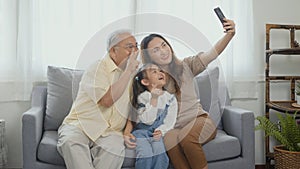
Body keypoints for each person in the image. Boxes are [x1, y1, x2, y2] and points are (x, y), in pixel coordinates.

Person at [124, 19, 235, 169]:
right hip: (173, 128)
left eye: (164, 45)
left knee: (187, 139)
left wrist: (230, 34)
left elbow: (211, 54)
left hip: (199, 120)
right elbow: (136, 107)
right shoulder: (152, 79)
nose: (163, 51)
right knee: (169, 140)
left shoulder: (186, 66)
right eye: (155, 50)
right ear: (150, 58)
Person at [57, 29, 139, 169]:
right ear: (113, 51)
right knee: (70, 142)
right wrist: (128, 72)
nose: (135, 51)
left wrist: (127, 131)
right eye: (129, 47)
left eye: (136, 46)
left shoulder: (135, 73)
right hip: (81, 125)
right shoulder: (97, 68)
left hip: (112, 132)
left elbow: (136, 105)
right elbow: (106, 101)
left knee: (114, 150)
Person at [130, 63, 178, 169]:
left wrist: (162, 130)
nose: (160, 73)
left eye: (160, 70)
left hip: (157, 133)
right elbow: (147, 121)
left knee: (160, 155)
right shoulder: (143, 97)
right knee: (145, 155)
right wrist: (154, 99)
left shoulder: (170, 99)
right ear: (145, 82)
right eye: (154, 71)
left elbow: (170, 121)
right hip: (141, 133)